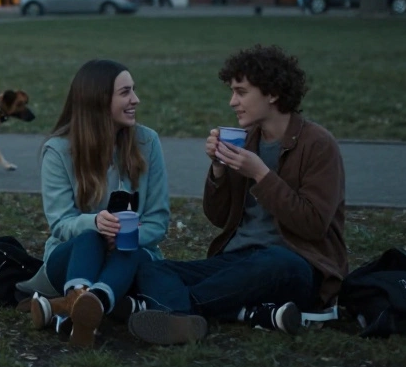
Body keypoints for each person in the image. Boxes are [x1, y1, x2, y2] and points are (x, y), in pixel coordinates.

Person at [128, 44, 346, 344]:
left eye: (241, 92)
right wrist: (218, 169)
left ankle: (173, 310)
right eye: (232, 92)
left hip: (297, 265)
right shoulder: (247, 141)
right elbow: (218, 218)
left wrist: (260, 174)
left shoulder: (317, 144)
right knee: (152, 267)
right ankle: (199, 318)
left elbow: (313, 223)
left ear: (272, 93)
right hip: (238, 261)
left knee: (278, 262)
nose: (233, 102)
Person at [28, 60, 170, 348]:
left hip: (131, 259)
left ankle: (75, 309)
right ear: (99, 99)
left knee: (129, 246)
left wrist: (126, 236)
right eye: (125, 92)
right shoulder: (58, 150)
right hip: (72, 259)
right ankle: (86, 301)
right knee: (90, 239)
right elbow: (60, 223)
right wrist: (95, 223)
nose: (135, 100)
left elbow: (157, 221)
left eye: (134, 91)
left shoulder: (147, 142)